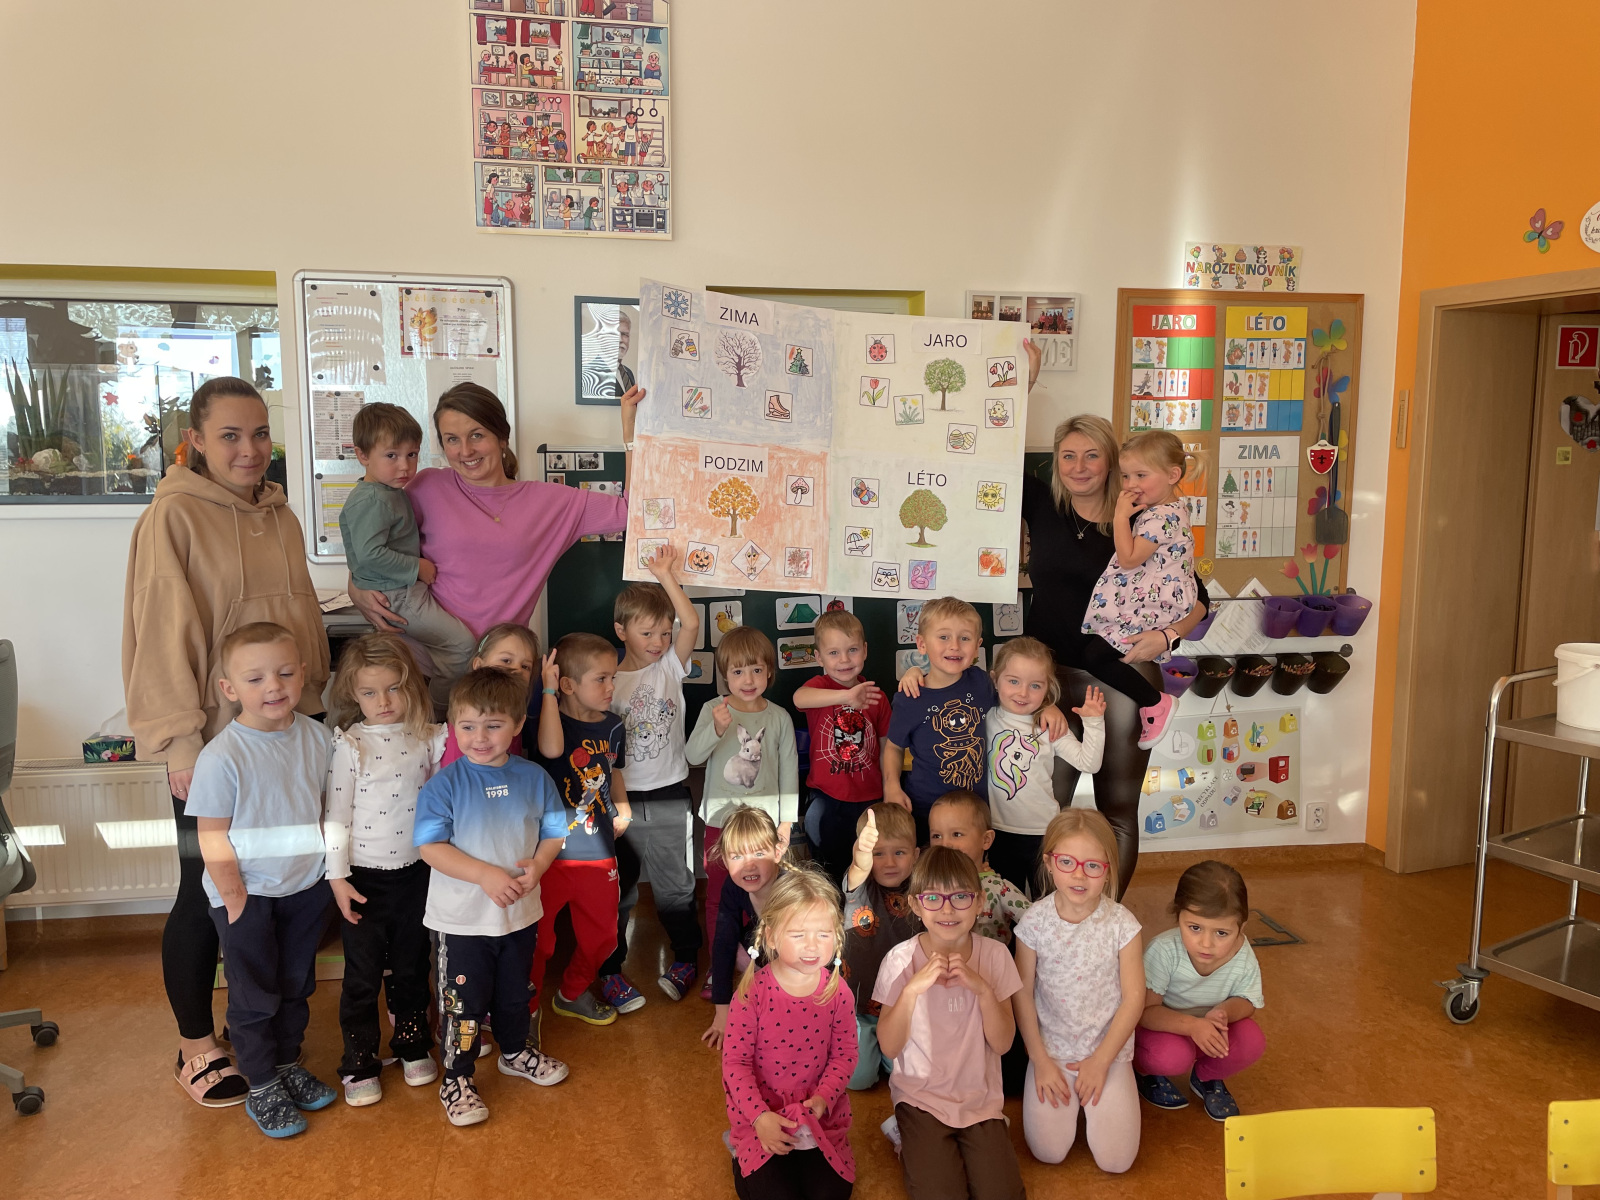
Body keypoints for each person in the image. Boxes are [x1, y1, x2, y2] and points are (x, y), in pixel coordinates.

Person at [123, 375, 329, 1108]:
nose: (250, 450)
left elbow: (301, 618)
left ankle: (261, 1034)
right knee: (204, 889)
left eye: (260, 433)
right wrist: (179, 742)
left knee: (280, 891)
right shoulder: (173, 515)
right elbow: (160, 634)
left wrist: (316, 706)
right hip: (214, 744)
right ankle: (195, 1045)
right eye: (231, 436)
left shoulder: (281, 514)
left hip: (287, 735)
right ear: (196, 442)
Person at [1018, 381, 1209, 893]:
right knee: (1046, 804)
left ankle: (1107, 921)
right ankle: (1049, 920)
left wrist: (1167, 637)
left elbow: (1200, 596)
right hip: (1050, 680)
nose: (1078, 467)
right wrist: (1023, 381)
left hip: (1122, 675)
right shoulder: (1042, 503)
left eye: (1092, 456)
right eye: (1067, 456)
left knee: (1118, 808)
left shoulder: (1145, 520)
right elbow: (995, 444)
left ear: (1112, 464)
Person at [346, 381, 639, 654]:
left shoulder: (552, 503)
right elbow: (375, 536)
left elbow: (631, 511)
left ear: (501, 437)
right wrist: (355, 587)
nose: (465, 451)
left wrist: (631, 434)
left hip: (500, 670)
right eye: (452, 439)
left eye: (477, 435)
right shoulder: (426, 486)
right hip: (421, 659)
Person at [186, 623, 336, 1138]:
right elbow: (211, 836)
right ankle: (262, 1083)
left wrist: (326, 875)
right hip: (247, 896)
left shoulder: (318, 738)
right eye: (255, 679)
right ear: (229, 689)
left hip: (305, 888)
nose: (273, 686)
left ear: (303, 675)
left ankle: (288, 1062)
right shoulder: (221, 756)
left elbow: (325, 808)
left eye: (285, 673)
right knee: (254, 995)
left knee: (296, 984)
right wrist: (236, 901)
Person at [415, 668, 570, 1126]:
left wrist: (540, 864)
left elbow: (554, 831)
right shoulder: (444, 785)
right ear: (453, 726)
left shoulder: (534, 777)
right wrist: (484, 875)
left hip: (519, 916)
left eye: (493, 725)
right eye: (468, 726)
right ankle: (456, 1078)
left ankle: (516, 1052)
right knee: (462, 1006)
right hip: (462, 923)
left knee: (515, 994)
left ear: (518, 724)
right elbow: (430, 848)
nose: (479, 737)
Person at [323, 633, 446, 1107]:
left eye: (394, 688)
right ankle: (359, 1062)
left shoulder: (429, 737)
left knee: (413, 966)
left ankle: (412, 1045)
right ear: (354, 694)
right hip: (363, 879)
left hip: (416, 873)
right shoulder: (351, 744)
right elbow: (337, 816)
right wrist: (337, 878)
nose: (384, 701)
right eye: (370, 692)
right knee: (362, 974)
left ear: (411, 686)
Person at [874, 847, 1025, 1200]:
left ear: (979, 902)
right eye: (933, 898)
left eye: (960, 896)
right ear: (915, 905)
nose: (946, 909)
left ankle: (978, 1137)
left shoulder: (996, 956)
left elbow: (1003, 1043)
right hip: (920, 1099)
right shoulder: (900, 960)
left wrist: (983, 990)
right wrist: (911, 990)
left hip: (979, 1100)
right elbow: (890, 1047)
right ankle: (906, 1135)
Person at [1013, 809, 1145, 1174]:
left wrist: (1101, 1061)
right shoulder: (1034, 922)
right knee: (1048, 1152)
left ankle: (1106, 1098)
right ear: (1049, 863)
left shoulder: (1123, 924)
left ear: (1108, 871)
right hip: (1052, 1053)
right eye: (1067, 862)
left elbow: (1134, 999)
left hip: (1108, 1053)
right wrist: (1040, 1060)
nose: (1079, 875)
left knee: (1116, 1161)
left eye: (1093, 866)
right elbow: (1022, 994)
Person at [602, 546, 703, 1009]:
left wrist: (665, 577)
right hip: (617, 799)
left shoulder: (669, 668)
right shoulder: (605, 680)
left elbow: (691, 624)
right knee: (618, 890)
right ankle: (610, 969)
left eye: (664, 632)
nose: (659, 641)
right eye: (647, 633)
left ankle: (686, 958)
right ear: (621, 630)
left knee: (675, 885)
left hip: (667, 794)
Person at [721, 869, 858, 1200]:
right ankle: (739, 1149)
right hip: (762, 1113)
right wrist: (759, 1117)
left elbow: (844, 1055)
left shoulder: (838, 991)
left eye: (823, 934)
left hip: (817, 1114)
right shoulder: (752, 993)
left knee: (834, 1194)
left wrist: (824, 1097)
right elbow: (735, 1064)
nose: (812, 946)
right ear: (770, 936)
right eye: (798, 934)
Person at [888, 596, 1066, 844]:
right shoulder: (911, 696)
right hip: (927, 808)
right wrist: (891, 786)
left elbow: (1016, 698)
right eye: (943, 637)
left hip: (977, 811)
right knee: (932, 864)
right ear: (922, 643)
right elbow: (893, 746)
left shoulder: (981, 683)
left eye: (965, 638)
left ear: (977, 646)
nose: (954, 646)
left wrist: (1047, 705)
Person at [339, 403, 475, 717]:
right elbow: (369, 554)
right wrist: (417, 567)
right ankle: (439, 715)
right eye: (392, 455)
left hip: (402, 592)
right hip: (399, 595)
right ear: (362, 455)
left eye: (412, 454)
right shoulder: (373, 499)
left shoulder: (388, 491)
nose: (404, 466)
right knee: (462, 646)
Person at [529, 634, 633, 1031]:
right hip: (550, 855)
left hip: (599, 851)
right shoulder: (548, 723)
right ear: (569, 685)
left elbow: (614, 769)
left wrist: (622, 805)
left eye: (613, 678)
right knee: (539, 941)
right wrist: (549, 692)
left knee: (602, 936)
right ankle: (526, 1006)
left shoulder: (614, 725)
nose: (611, 687)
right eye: (601, 679)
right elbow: (552, 750)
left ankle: (571, 994)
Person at [687, 624, 799, 964]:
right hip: (721, 822)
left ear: (769, 671)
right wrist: (717, 728)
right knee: (718, 894)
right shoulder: (714, 709)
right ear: (725, 675)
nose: (748, 679)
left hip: (764, 827)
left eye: (756, 670)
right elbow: (692, 756)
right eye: (737, 672)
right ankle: (719, 963)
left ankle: (759, 963)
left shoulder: (778, 718)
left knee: (763, 893)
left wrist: (786, 822)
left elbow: (789, 772)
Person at [1080, 430, 1197, 749]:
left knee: (1096, 656)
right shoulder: (1174, 508)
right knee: (1100, 654)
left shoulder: (1159, 517)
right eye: (1126, 475)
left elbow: (1130, 558)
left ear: (1173, 475)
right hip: (1161, 601)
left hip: (1155, 605)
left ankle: (1156, 703)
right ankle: (1155, 703)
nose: (1131, 484)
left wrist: (1120, 516)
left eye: (1141, 475)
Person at [1135, 861, 1265, 1121]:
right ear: (1178, 917)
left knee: (1251, 1040)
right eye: (1194, 928)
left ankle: (1206, 1077)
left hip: (1207, 1032)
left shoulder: (1243, 954)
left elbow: (1248, 1001)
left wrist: (1224, 1011)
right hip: (1164, 1031)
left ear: (1241, 928)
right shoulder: (1164, 950)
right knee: (1171, 1057)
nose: (1206, 944)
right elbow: (1145, 1012)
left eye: (1221, 933)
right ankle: (1145, 1073)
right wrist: (1193, 1026)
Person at [983, 637, 1106, 895]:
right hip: (997, 833)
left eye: (1035, 685)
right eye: (1013, 681)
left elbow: (1089, 763)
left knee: (1049, 902)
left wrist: (1094, 722)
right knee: (1006, 905)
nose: (1023, 693)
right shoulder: (985, 718)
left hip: (1044, 833)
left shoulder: (1049, 726)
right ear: (995, 679)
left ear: (1047, 687)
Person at [792, 609, 891, 884]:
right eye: (833, 653)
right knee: (828, 872)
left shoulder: (877, 696)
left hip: (870, 799)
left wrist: (889, 790)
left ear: (865, 650)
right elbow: (799, 698)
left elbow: (886, 748)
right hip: (826, 799)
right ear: (819, 657)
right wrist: (847, 696)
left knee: (869, 870)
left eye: (852, 650)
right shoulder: (819, 687)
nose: (844, 660)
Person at [840, 804, 921, 1092]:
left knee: (906, 1074)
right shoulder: (860, 888)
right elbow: (858, 870)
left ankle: (884, 1057)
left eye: (899, 852)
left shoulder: (922, 889)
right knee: (858, 1080)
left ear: (916, 855)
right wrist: (862, 856)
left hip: (903, 1009)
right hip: (860, 1006)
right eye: (878, 853)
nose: (889, 862)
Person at [703, 805, 789, 1050]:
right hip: (763, 948)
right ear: (724, 859)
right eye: (737, 856)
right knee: (736, 952)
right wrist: (722, 1012)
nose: (748, 866)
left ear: (777, 852)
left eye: (758, 854)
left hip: (797, 954)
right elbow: (723, 944)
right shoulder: (732, 887)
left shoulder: (790, 888)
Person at [927, 790, 1027, 947]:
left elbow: (1038, 922)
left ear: (986, 840)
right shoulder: (927, 883)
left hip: (990, 962)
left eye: (956, 834)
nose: (945, 844)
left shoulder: (997, 888)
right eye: (937, 836)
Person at [439, 622, 540, 766]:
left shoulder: (516, 709)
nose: (517, 670)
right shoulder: (466, 716)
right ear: (478, 665)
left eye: (525, 666)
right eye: (506, 660)